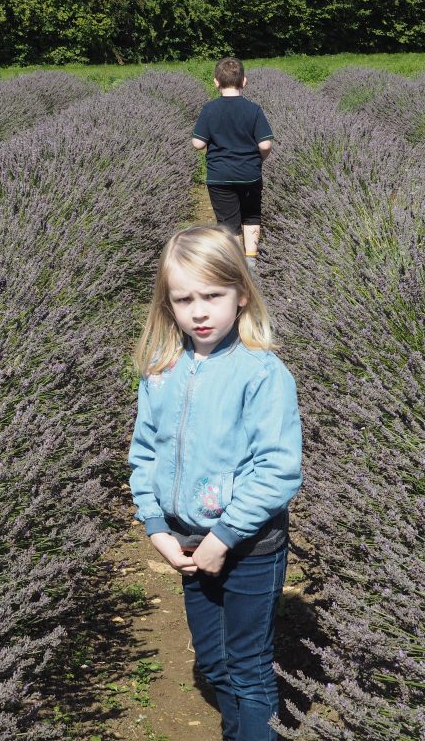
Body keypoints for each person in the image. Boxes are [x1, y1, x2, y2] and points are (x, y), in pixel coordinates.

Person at [128, 225, 303, 741]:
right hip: (183, 541)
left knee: (248, 668)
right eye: (184, 299)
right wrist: (155, 526)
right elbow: (143, 455)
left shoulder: (261, 373)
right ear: (168, 305)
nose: (199, 311)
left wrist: (222, 538)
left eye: (213, 296)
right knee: (213, 661)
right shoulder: (161, 369)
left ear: (242, 294)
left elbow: (278, 469)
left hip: (248, 545)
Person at [192, 57, 274, 273]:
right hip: (250, 173)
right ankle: (251, 262)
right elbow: (265, 144)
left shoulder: (209, 109)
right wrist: (259, 160)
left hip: (220, 176)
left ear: (216, 82)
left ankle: (237, 267)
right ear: (244, 81)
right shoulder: (254, 109)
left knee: (229, 222)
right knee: (251, 215)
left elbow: (198, 143)